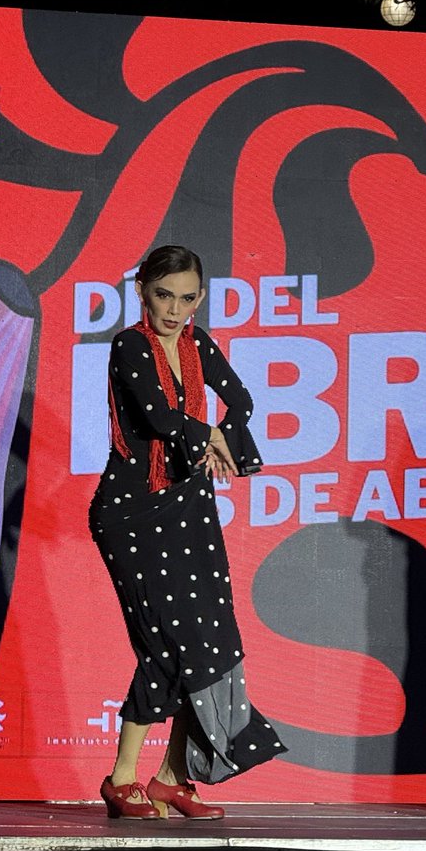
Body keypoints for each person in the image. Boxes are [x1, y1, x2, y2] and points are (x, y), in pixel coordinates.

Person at [89, 245, 286, 819]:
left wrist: (225, 434)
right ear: (142, 293)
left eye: (187, 298)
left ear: (199, 298)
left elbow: (241, 400)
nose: (174, 310)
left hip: (190, 506)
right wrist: (212, 436)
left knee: (209, 641)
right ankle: (121, 779)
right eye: (163, 296)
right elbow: (156, 416)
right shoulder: (130, 345)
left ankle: (171, 778)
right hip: (133, 511)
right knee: (164, 642)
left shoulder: (199, 345)